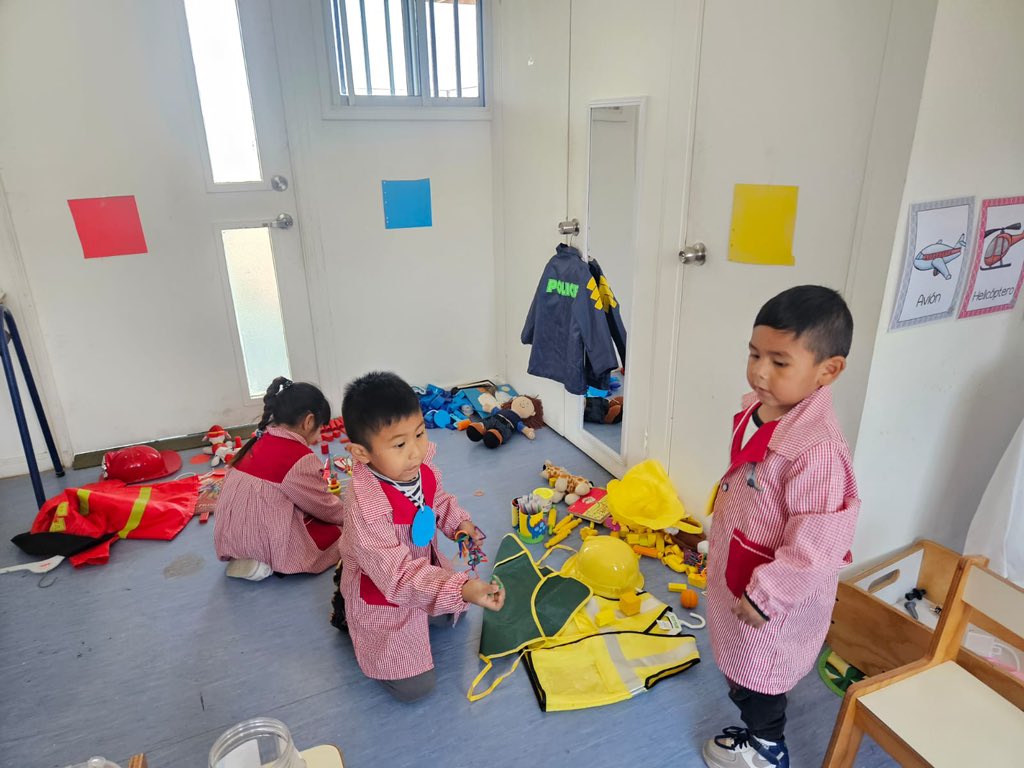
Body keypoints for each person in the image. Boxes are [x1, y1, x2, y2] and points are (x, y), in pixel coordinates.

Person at [702, 286, 861, 768]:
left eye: (779, 361)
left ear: (827, 370)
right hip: (743, 568)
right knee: (739, 663)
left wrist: (767, 595)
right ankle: (757, 724)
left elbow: (816, 545)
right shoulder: (763, 407)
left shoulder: (817, 453)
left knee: (758, 675)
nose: (759, 371)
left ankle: (767, 746)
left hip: (773, 593)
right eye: (754, 354)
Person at [332, 371, 504, 702]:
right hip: (386, 586)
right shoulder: (366, 505)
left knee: (455, 613)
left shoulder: (417, 469)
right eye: (399, 444)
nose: (415, 452)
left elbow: (438, 500)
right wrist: (461, 587)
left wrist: (460, 525)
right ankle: (349, 614)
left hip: (419, 566)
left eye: (420, 434)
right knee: (415, 689)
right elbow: (396, 576)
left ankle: (431, 601)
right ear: (361, 453)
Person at [214, 377, 344, 581]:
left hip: (232, 539)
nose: (318, 437)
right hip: (266, 540)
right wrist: (352, 515)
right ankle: (265, 558)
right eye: (320, 428)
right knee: (343, 534)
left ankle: (247, 555)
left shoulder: (260, 439)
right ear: (308, 421)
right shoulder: (298, 458)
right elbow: (324, 507)